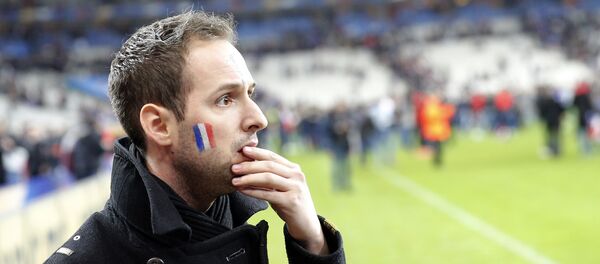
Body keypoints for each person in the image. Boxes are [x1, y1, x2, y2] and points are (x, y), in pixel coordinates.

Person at [45, 11, 345, 264]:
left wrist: (313, 242)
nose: (259, 119)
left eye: (249, 94)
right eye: (225, 99)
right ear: (160, 125)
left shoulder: (235, 215)